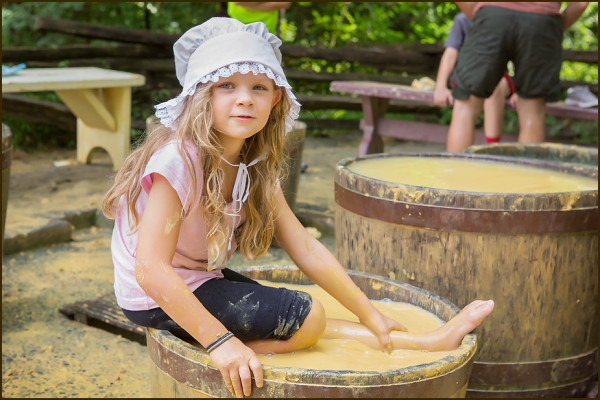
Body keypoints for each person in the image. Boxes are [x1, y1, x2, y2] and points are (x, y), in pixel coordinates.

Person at [102, 18, 494, 398]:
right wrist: (221, 342)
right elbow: (151, 269)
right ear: (200, 94)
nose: (244, 98)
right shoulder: (179, 162)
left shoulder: (251, 165)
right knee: (307, 316)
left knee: (298, 318)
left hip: (196, 280)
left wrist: (370, 312)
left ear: (275, 99)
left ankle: (428, 341)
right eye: (227, 85)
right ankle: (235, 355)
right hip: (152, 294)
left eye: (258, 86)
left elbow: (304, 246)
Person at [446, 2, 589, 153]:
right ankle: (528, 176)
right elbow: (580, 4)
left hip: (492, 15)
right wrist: (552, 27)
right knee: (532, 114)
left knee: (465, 109)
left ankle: (454, 175)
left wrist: (482, 16)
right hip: (542, 20)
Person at [434, 11, 517, 145]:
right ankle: (459, 161)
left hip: (498, 78)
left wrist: (520, 91)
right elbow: (450, 53)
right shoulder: (462, 20)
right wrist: (440, 87)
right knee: (466, 98)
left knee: (494, 86)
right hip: (467, 76)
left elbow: (519, 54)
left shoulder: (506, 17)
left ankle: (492, 146)